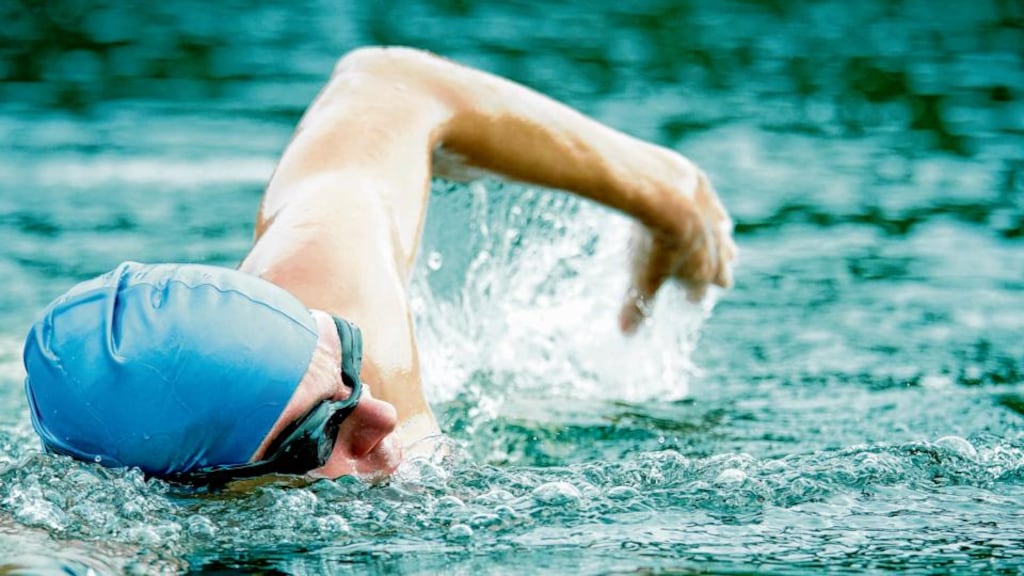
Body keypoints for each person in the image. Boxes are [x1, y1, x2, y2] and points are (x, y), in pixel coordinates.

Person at [22, 46, 736, 488]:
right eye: (313, 435)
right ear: (182, 491)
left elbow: (388, 82)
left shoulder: (343, 310)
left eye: (344, 368)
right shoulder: (105, 537)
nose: (382, 417)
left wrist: (666, 197)